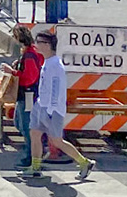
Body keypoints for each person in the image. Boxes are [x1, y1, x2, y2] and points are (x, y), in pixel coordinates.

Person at [23, 30, 95, 181]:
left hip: (52, 110)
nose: (36, 45)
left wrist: (50, 109)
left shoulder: (56, 65)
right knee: (34, 134)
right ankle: (35, 167)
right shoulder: (47, 62)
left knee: (57, 141)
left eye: (39, 42)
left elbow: (56, 90)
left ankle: (84, 162)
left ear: (48, 45)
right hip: (41, 105)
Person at [4, 23, 43, 165]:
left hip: (28, 94)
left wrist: (13, 72)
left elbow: (30, 77)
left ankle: (31, 155)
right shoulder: (30, 53)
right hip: (26, 94)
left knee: (26, 125)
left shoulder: (29, 55)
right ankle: (33, 151)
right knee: (19, 122)